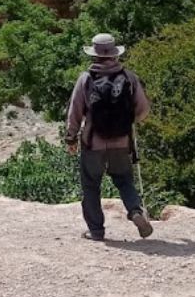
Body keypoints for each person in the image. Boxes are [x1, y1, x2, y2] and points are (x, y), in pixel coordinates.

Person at [65, 32, 154, 241]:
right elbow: (143, 110)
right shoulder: (129, 78)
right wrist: (126, 122)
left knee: (91, 185)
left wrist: (71, 138)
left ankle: (96, 231)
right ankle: (135, 212)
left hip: (93, 142)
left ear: (94, 55)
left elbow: (75, 112)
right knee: (124, 180)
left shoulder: (86, 79)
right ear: (114, 54)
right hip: (122, 142)